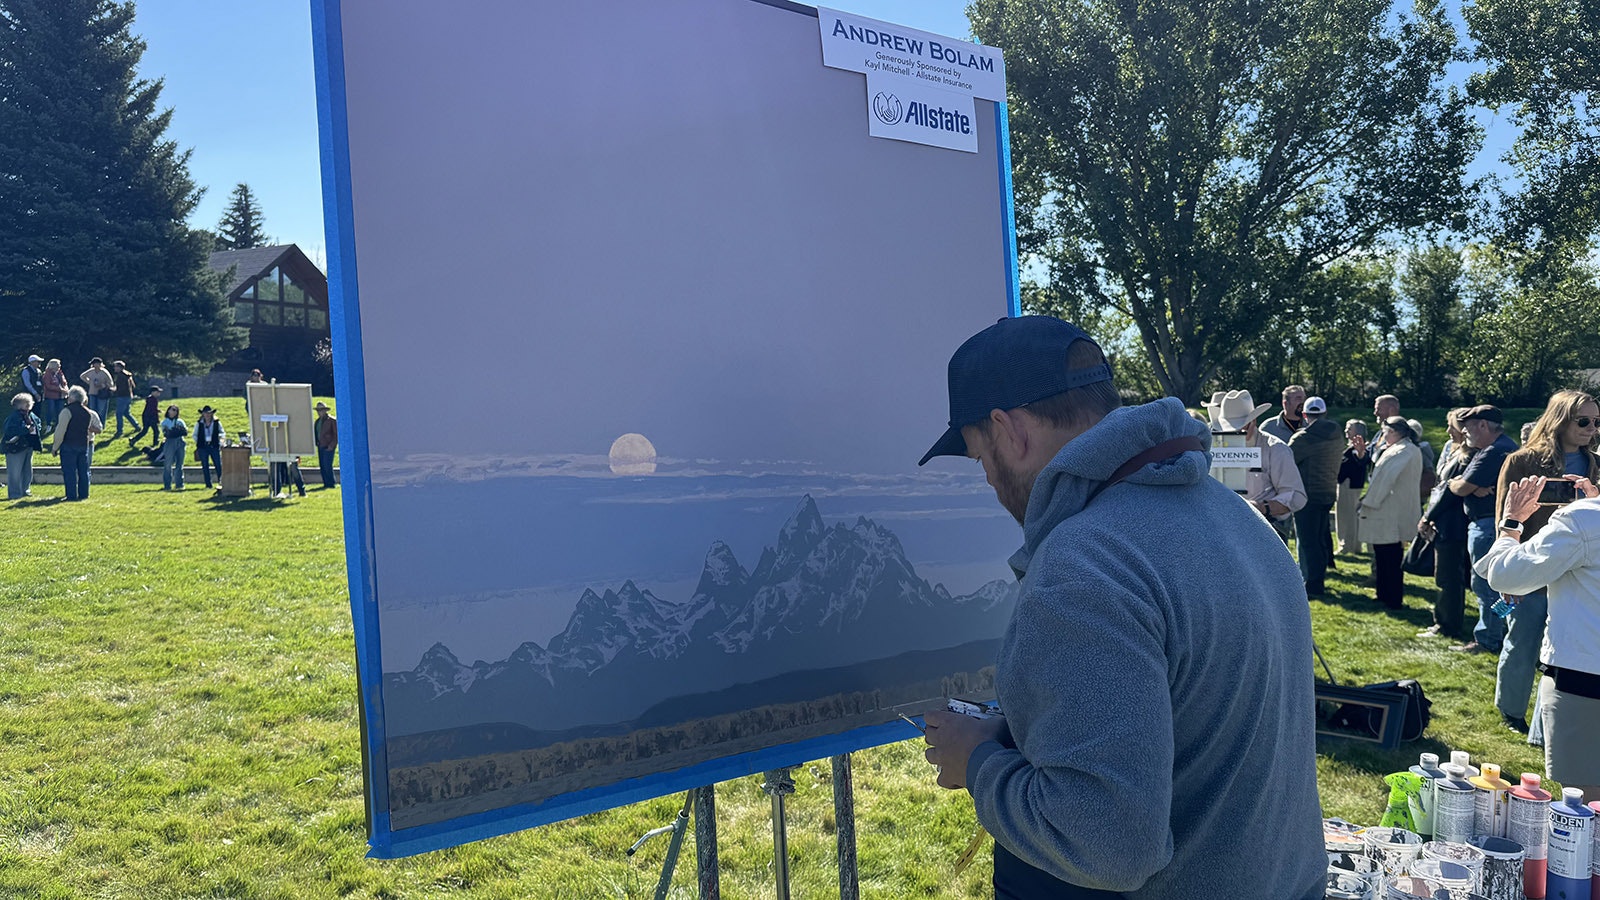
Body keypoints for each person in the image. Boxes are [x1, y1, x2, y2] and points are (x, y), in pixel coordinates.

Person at [915, 316, 1324, 899]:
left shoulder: (1085, 565)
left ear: (1009, 431)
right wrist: (1028, 732)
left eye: (980, 458)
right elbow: (1196, 724)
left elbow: (1108, 846)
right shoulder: (1237, 518)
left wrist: (977, 761)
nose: (987, 480)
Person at [1480, 473, 1600, 801]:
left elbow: (1507, 575)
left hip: (1585, 681)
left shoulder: (1585, 519)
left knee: (1586, 812)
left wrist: (1511, 524)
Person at [1490, 390, 1600, 735]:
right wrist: (1510, 569)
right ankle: (1510, 710)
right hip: (1533, 566)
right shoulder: (1521, 461)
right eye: (1583, 421)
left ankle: (1544, 728)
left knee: (1559, 656)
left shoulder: (1596, 464)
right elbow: (1504, 517)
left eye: (1597, 422)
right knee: (1522, 641)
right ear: (1560, 419)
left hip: (1576, 581)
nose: (1591, 429)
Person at [1452, 405, 1519, 654]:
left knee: (1485, 585)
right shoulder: (1503, 447)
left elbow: (1461, 487)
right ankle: (1496, 633)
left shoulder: (1494, 451)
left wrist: (1458, 483)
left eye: (1468, 427)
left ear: (1483, 425)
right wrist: (1464, 484)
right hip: (1496, 526)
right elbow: (1464, 485)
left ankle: (1488, 639)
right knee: (1498, 586)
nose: (1465, 433)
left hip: (1487, 526)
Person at [1205, 389, 1306, 542]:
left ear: (1253, 422)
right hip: (1221, 532)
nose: (1236, 433)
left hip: (1265, 532)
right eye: (1231, 429)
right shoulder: (1215, 446)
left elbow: (1297, 496)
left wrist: (1262, 507)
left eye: (1241, 428)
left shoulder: (1276, 449)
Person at [1417, 408, 1476, 643]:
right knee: (1445, 575)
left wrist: (1428, 516)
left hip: (1452, 522)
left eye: (1451, 426)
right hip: (1445, 519)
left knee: (1448, 576)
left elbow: (1449, 492)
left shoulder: (1466, 457)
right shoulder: (1455, 452)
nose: (1447, 431)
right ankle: (1444, 619)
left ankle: (1447, 624)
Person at [1360, 417, 1423, 610]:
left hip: (1390, 509)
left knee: (1391, 557)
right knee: (1383, 554)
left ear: (1394, 432)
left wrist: (1369, 501)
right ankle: (1383, 593)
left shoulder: (1403, 450)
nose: (1383, 435)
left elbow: (1385, 481)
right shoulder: (1401, 449)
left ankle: (1392, 598)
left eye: (1385, 431)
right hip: (1389, 509)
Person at [1288, 396, 1342, 595]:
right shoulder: (1336, 434)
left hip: (1307, 494)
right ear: (1325, 413)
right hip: (1328, 492)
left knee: (1308, 540)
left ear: (1304, 414)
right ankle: (1318, 578)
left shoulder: (1302, 438)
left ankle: (1312, 583)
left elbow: (1288, 460)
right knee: (1319, 538)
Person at [51, 386, 102, 501]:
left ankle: (71, 495)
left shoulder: (67, 411)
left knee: (69, 472)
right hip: (83, 444)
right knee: (83, 471)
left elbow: (61, 430)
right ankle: (84, 494)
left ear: (71, 398)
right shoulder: (87, 412)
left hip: (69, 445)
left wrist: (55, 447)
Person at [1337, 420, 1369, 555]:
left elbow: (1360, 462)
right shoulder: (1351, 448)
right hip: (1350, 485)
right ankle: (1354, 545)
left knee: (1346, 517)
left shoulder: (1358, 449)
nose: (1346, 431)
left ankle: (1346, 546)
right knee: (1350, 517)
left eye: (1349, 429)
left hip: (1349, 485)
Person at [3, 393, 44, 500]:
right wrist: (26, 429)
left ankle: (25, 490)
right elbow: (9, 430)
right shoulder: (13, 417)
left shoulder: (30, 415)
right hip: (15, 448)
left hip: (27, 446)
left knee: (27, 470)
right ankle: (14, 493)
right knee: (14, 472)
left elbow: (38, 422)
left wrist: (35, 427)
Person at [193, 406, 226, 490]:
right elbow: (195, 435)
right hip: (203, 447)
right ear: (203, 414)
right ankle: (208, 484)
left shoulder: (216, 422)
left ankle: (222, 482)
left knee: (218, 465)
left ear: (212, 414)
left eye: (209, 413)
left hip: (214, 446)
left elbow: (222, 433)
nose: (207, 415)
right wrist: (199, 442)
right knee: (205, 465)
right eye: (205, 413)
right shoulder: (199, 423)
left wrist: (220, 440)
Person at [159, 404, 188, 491]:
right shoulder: (165, 422)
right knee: (168, 464)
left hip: (180, 441)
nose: (173, 412)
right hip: (169, 441)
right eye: (172, 410)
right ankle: (167, 485)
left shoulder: (180, 421)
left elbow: (184, 431)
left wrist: (179, 430)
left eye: (175, 410)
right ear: (168, 411)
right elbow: (165, 432)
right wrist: (172, 431)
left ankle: (179, 484)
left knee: (179, 463)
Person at [79, 357, 114, 426]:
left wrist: (103, 385)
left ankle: (101, 425)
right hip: (92, 392)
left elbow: (111, 383)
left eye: (95, 364)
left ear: (99, 364)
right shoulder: (91, 371)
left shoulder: (104, 372)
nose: (94, 365)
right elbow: (82, 376)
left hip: (102, 393)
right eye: (93, 364)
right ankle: (93, 425)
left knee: (101, 411)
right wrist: (89, 382)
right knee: (92, 410)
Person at [109, 360, 138, 438]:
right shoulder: (128, 375)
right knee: (126, 413)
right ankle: (137, 426)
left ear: (119, 367)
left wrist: (113, 390)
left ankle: (119, 431)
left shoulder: (121, 376)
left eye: (115, 366)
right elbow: (133, 386)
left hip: (122, 397)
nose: (114, 368)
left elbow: (121, 388)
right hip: (128, 396)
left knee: (119, 414)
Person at [314, 401, 338, 489]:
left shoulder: (332, 420)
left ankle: (331, 483)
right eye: (318, 410)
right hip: (321, 446)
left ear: (325, 410)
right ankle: (326, 483)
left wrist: (332, 445)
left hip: (329, 446)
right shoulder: (317, 422)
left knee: (328, 465)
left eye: (321, 410)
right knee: (322, 466)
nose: (319, 412)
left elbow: (336, 435)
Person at [1371, 394, 1401, 462]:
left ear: (1392, 410)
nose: (1375, 413)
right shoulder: (1380, 433)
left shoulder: (1401, 433)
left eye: (1378, 409)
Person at [39, 359, 68, 430]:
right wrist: (60, 389)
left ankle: (58, 425)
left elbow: (64, 382)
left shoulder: (60, 373)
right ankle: (49, 425)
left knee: (60, 410)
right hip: (50, 396)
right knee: (50, 411)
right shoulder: (47, 374)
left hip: (60, 396)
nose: (59, 366)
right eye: (58, 365)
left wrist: (66, 389)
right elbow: (48, 386)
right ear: (53, 365)